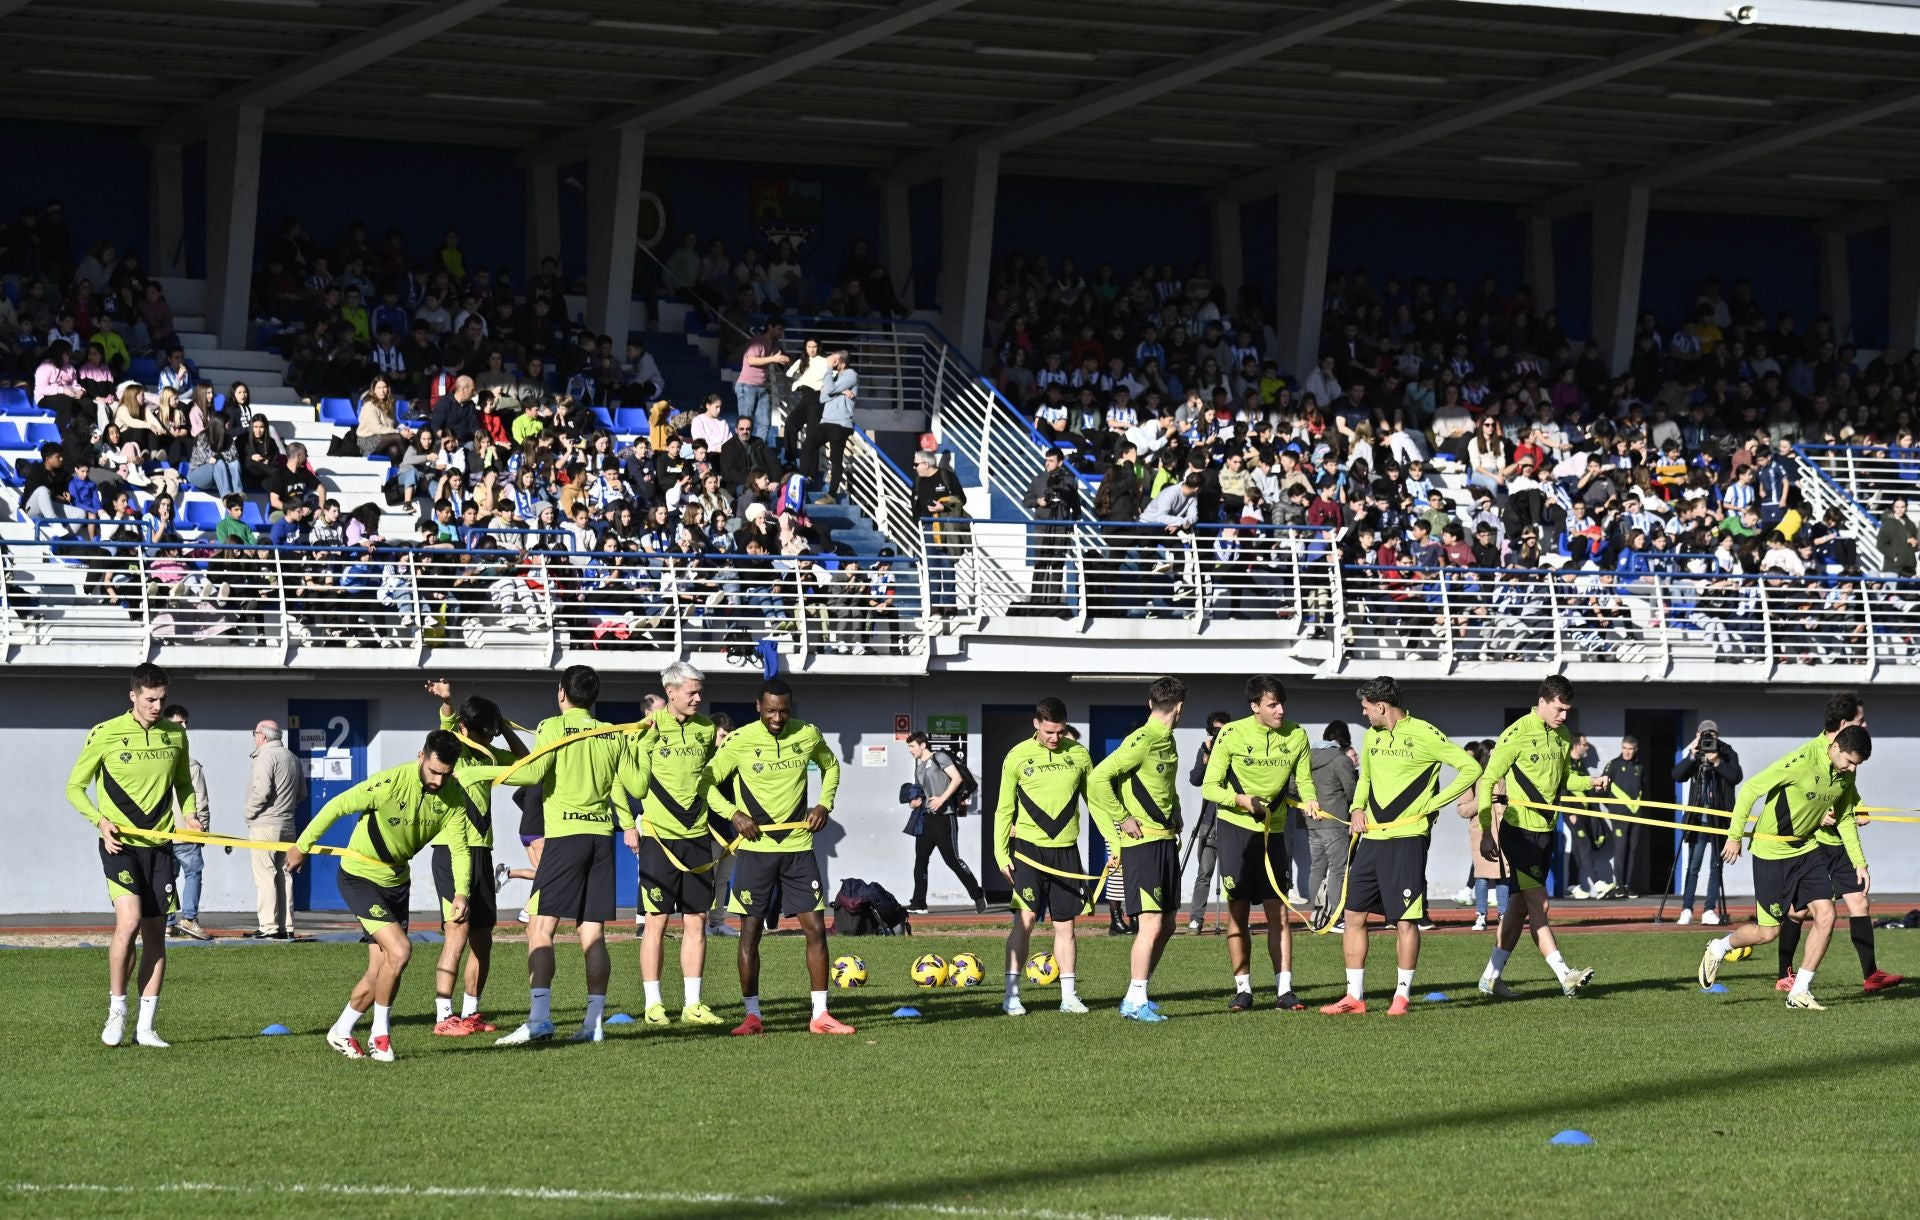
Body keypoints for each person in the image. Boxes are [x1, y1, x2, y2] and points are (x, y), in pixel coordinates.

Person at [290, 731, 486, 1061]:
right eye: (434, 771)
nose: (438, 780)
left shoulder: (453, 795)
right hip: (359, 876)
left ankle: (340, 1031)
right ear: (420, 756)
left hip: (397, 881)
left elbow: (460, 848)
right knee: (402, 950)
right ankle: (380, 1036)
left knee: (381, 968)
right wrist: (302, 845)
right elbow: (337, 805)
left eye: (446, 773)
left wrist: (462, 892)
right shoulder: (390, 783)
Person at [1323, 676, 1480, 1016]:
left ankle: (1401, 997)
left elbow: (1470, 768)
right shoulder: (1371, 737)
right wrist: (1357, 808)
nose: (1363, 714)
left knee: (1406, 921)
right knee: (1353, 916)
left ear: (1381, 706)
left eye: (1366, 708)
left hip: (1408, 840)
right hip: (1372, 839)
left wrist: (1435, 802)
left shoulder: (1425, 733)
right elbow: (1364, 778)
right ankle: (1354, 997)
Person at [707, 679, 853, 1035]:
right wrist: (733, 814)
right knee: (750, 934)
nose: (777, 717)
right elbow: (705, 783)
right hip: (756, 852)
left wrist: (824, 803)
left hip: (798, 848)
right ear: (758, 706)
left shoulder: (807, 734)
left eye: (784, 710)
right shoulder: (740, 740)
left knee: (816, 930)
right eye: (771, 710)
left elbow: (832, 767)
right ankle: (753, 1016)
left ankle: (820, 1015)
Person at [66, 664, 198, 1048]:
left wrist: (189, 814)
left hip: (160, 846)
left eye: (162, 699)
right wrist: (99, 821)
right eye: (150, 699)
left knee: (156, 933)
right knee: (129, 922)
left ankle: (146, 1027)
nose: (157, 706)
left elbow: (183, 785)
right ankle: (117, 1010)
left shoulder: (175, 735)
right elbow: (74, 788)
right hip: (119, 845)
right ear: (134, 696)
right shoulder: (105, 733)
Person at [494, 665, 626, 1046]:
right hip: (601, 837)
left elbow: (533, 774)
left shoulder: (551, 726)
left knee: (540, 928)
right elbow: (630, 783)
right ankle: (593, 1023)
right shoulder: (610, 733)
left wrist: (485, 774)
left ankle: (539, 1020)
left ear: (561, 693)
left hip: (565, 836)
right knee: (592, 932)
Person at [1697, 725, 1874, 1011]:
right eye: (1850, 762)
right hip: (1771, 853)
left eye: (1858, 765)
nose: (1852, 769)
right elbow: (1751, 789)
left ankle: (1800, 992)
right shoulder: (1802, 761)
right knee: (1767, 933)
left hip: (1806, 849)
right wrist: (1734, 835)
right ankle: (1718, 947)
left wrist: (1859, 862)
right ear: (1836, 748)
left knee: (1826, 914)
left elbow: (1844, 817)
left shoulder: (1844, 777)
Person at [1474, 675, 1610, 1000]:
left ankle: (1490, 978)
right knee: (1540, 903)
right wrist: (1485, 832)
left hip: (1546, 833)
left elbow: (1565, 779)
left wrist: (1590, 783)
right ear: (1543, 702)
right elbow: (1489, 779)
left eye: (1568, 710)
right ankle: (1566, 976)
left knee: (1519, 907)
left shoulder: (1562, 735)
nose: (1564, 716)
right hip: (1518, 831)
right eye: (1559, 709)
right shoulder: (1517, 733)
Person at [1199, 676, 1320, 1013]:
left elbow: (1305, 781)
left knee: (1277, 914)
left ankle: (1285, 991)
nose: (1280, 710)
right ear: (1255, 707)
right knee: (1238, 913)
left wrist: (1310, 800)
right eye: (1272, 705)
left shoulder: (1297, 734)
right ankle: (1243, 990)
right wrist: (1241, 799)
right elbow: (1209, 787)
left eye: (1282, 704)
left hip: (1275, 834)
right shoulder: (1232, 733)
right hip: (1235, 830)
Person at [616, 663, 727, 1029]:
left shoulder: (707, 729)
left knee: (697, 920)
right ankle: (653, 1004)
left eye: (700, 691)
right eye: (692, 691)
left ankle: (693, 1004)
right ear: (671, 692)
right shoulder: (646, 730)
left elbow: (710, 779)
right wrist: (628, 824)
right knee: (656, 922)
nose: (698, 698)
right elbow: (630, 784)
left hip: (697, 837)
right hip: (658, 839)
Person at [1772, 694, 1903, 996]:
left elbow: (1847, 794)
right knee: (1798, 912)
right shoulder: (1813, 753)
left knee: (1859, 902)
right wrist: (1817, 817)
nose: (1866, 724)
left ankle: (1871, 975)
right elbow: (1791, 797)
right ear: (1844, 724)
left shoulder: (1851, 752)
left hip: (1838, 844)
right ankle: (1784, 974)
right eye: (1861, 720)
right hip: (1812, 845)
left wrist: (1860, 808)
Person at [425, 681, 525, 1037]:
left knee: (482, 938)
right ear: (467, 729)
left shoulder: (488, 753)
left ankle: (471, 1012)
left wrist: (507, 728)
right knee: (457, 931)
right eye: (484, 734)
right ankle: (443, 1016)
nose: (488, 740)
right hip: (449, 850)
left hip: (481, 851)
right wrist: (448, 702)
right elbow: (445, 727)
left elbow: (525, 761)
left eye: (491, 735)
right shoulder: (452, 749)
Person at [1088, 676, 1188, 1022]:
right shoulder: (1142, 739)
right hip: (1141, 845)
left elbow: (1165, 785)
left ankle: (1137, 994)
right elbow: (1098, 778)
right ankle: (1134, 1001)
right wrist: (1122, 817)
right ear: (1180, 707)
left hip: (1164, 841)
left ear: (1152, 703)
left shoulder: (1168, 740)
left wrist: (1175, 811)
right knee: (1150, 924)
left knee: (1169, 923)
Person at [994, 696, 1095, 1017]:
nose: (1055, 738)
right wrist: (1000, 852)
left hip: (1066, 852)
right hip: (1028, 852)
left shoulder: (1078, 754)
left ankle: (1068, 997)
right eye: (1049, 731)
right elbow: (1003, 809)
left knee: (1066, 926)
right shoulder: (1017, 757)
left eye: (1060, 732)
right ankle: (1011, 996)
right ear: (1036, 724)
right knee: (1024, 922)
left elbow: (1097, 801)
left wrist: (1116, 841)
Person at [904, 731, 986, 915]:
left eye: (912, 746)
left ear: (923, 745)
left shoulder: (939, 757)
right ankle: (919, 903)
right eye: (908, 747)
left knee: (952, 860)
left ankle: (978, 893)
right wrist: (915, 802)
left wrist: (942, 799)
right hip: (926, 819)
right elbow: (921, 794)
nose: (910, 750)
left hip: (945, 817)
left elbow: (957, 779)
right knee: (920, 861)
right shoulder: (918, 768)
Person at [1672, 719, 1741, 924]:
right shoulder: (1696, 754)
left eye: (1712, 735)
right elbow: (1677, 775)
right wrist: (1693, 754)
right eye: (1705, 735)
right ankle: (1686, 909)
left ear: (1718, 735)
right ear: (1697, 735)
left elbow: (1736, 776)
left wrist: (1717, 761)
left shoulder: (1727, 752)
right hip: (1698, 819)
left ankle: (1709, 910)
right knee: (1693, 866)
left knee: (1716, 866)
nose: (1709, 739)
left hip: (1719, 818)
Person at [242, 720, 303, 940]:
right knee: (284, 875)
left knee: (265, 875)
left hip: (265, 824)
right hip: (288, 824)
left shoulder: (265, 756)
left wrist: (248, 812)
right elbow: (302, 793)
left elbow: (261, 790)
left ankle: (268, 926)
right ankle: (286, 926)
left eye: (255, 733)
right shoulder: (292, 757)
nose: (254, 737)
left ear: (263, 737)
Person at [161, 704, 212, 942]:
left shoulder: (156, 759)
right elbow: (199, 798)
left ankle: (167, 922)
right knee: (192, 874)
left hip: (163, 830)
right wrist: (203, 828)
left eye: (186, 722)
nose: (184, 727)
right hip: (184, 831)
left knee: (167, 877)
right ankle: (188, 919)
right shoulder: (189, 764)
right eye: (179, 722)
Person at [1306, 720, 1356, 922]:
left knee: (1317, 868)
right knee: (1338, 870)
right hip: (1335, 822)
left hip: (1312, 821)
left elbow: (1293, 786)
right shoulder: (1341, 759)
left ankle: (1317, 914)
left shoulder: (1307, 757)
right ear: (1344, 740)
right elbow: (1352, 791)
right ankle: (1335, 915)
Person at [1184, 712, 1230, 933]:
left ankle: (1238, 919)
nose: (1218, 734)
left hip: (1231, 818)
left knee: (1234, 874)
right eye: (1215, 730)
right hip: (1209, 818)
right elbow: (1195, 779)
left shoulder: (1235, 751)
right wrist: (1206, 757)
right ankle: (1196, 918)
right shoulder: (1206, 750)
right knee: (1204, 872)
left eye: (1223, 729)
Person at [1600, 736, 1647, 898]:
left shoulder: (1640, 766)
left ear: (1636, 749)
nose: (1627, 752)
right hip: (1619, 815)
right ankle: (1619, 885)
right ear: (1621, 748)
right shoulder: (1613, 765)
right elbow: (1602, 788)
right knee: (1621, 849)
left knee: (1632, 850)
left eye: (1630, 749)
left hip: (1636, 815)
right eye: (1625, 748)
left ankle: (1628, 885)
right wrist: (1612, 807)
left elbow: (1643, 788)